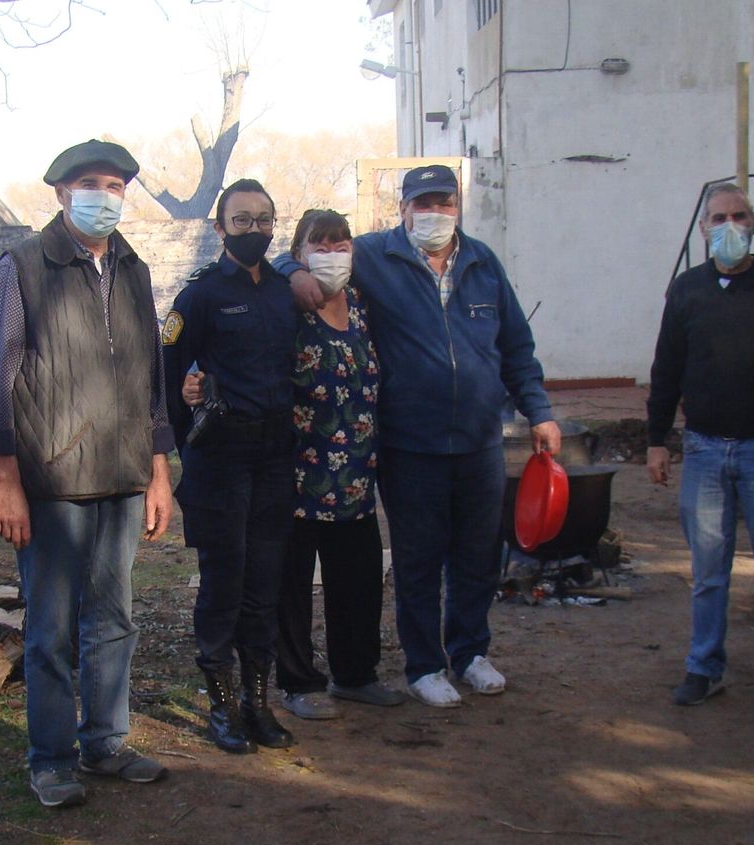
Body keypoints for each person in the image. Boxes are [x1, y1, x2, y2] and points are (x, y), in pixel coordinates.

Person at [281, 164, 560, 708]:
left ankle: (471, 652)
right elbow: (317, 249)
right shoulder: (375, 259)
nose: (434, 214)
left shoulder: (482, 264)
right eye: (422, 204)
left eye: (444, 203)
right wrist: (292, 269)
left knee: (476, 555)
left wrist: (540, 412)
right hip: (411, 444)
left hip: (480, 440)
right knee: (418, 558)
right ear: (403, 209)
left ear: (458, 207)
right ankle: (425, 664)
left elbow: (517, 348)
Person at [0, 140, 173, 807]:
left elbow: (153, 379)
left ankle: (105, 742)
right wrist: (6, 479)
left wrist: (159, 468)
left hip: (120, 475)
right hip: (51, 480)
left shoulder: (134, 269)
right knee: (52, 626)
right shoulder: (25, 266)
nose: (103, 195)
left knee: (114, 616)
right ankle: (51, 757)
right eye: (90, 183)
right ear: (60, 193)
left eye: (115, 185)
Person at [646, 183, 754, 716]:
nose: (729, 226)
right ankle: (704, 667)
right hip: (703, 450)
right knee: (709, 573)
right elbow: (667, 369)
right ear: (703, 229)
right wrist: (657, 441)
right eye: (718, 217)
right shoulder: (686, 291)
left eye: (738, 216)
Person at [164, 178, 299, 753]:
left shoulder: (282, 290)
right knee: (223, 585)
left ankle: (256, 703)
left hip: (274, 457)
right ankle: (221, 710)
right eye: (241, 221)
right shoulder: (200, 295)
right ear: (219, 229)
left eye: (264, 220)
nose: (254, 230)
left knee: (264, 585)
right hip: (220, 459)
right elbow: (166, 372)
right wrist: (184, 444)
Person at [272, 209, 402, 719]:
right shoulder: (288, 304)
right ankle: (299, 682)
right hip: (300, 472)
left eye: (340, 242)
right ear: (301, 251)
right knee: (293, 587)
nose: (332, 252)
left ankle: (355, 675)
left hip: (354, 475)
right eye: (318, 243)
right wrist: (288, 268)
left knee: (360, 581)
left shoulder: (364, 303)